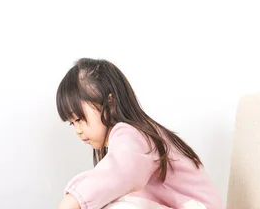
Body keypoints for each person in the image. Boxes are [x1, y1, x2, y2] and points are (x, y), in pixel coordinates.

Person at [55, 58, 224, 209]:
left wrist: (74, 200)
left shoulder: (132, 135)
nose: (77, 130)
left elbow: (120, 171)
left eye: (80, 119)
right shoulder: (136, 136)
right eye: (72, 123)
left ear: (110, 103)